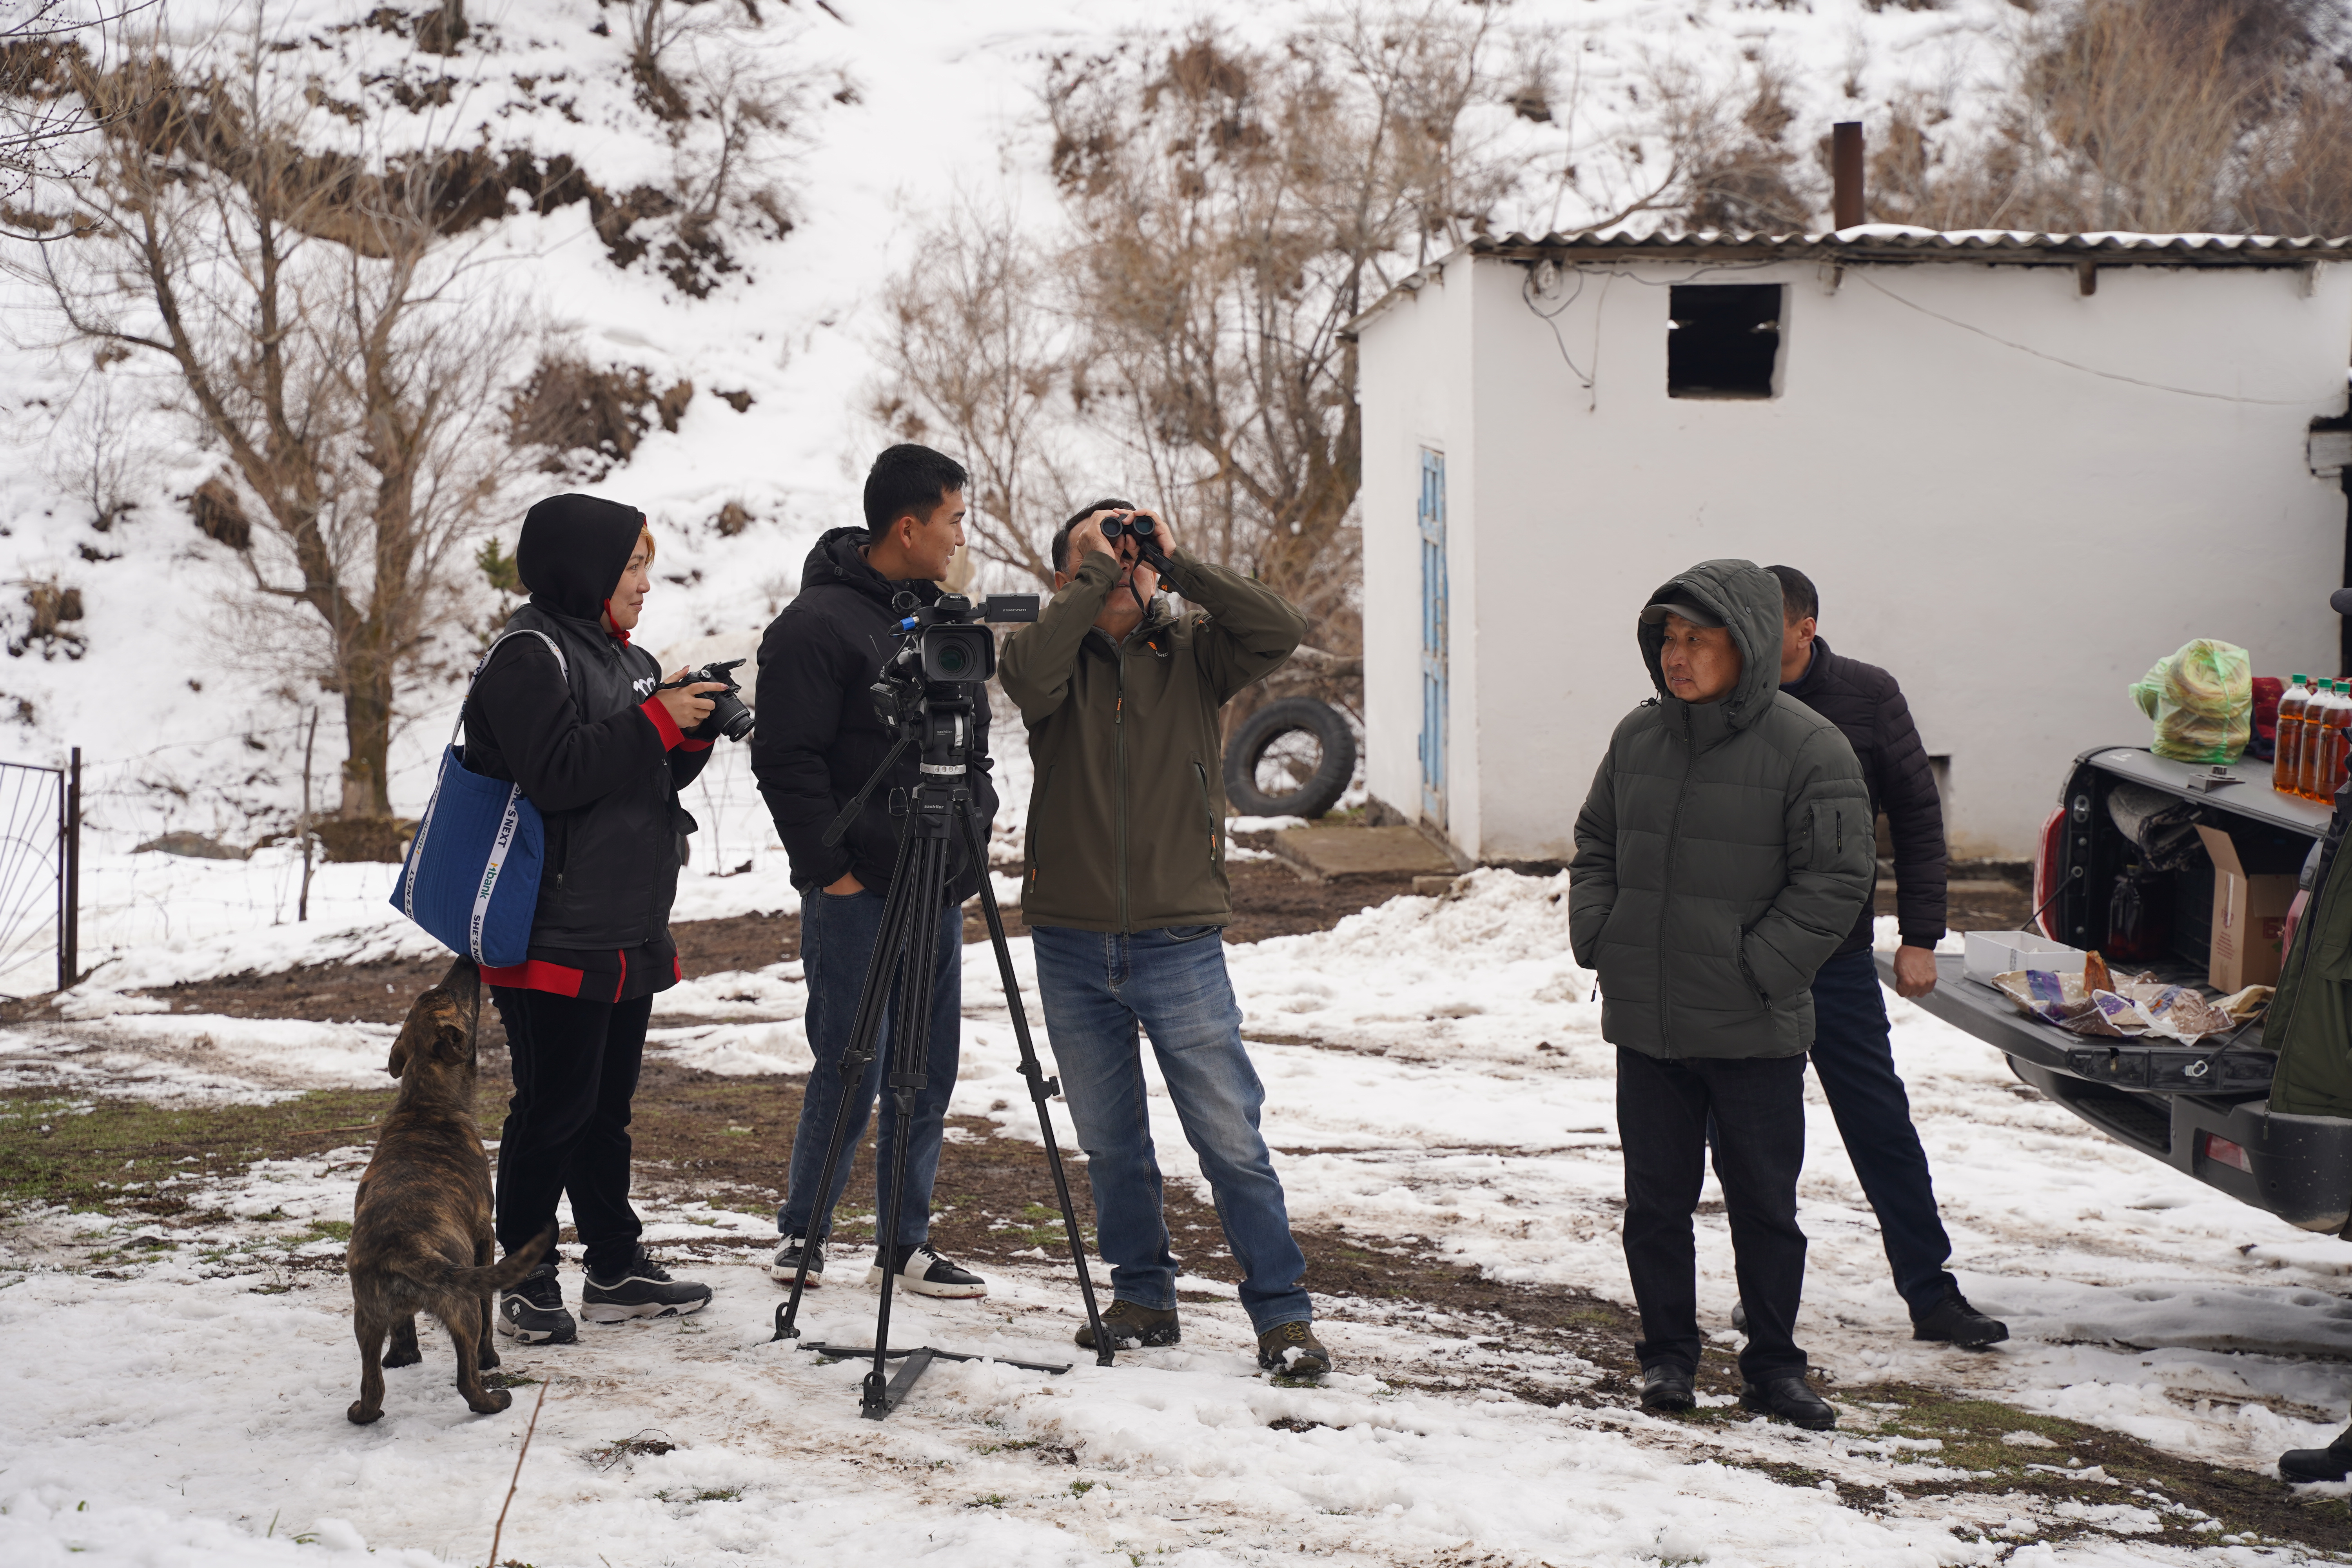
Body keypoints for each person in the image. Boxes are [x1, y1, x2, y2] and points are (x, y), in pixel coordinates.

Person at [997, 500, 1332, 1377]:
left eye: (1135, 547)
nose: (1127, 563)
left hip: (1178, 938)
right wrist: (1097, 583)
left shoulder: (1190, 653)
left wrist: (1174, 566)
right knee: (1112, 1139)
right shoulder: (1052, 658)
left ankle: (1283, 1316)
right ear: (1068, 577)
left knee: (1229, 1136)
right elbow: (1025, 678)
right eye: (1104, 553)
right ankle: (1143, 1295)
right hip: (1071, 938)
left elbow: (1280, 625)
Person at [1569, 559, 1874, 1430]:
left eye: (1697, 638)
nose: (1678, 655)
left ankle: (1775, 1366)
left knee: (1765, 1211)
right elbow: (1596, 842)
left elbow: (1839, 877)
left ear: (1743, 642)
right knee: (1655, 1206)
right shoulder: (1639, 738)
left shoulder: (1812, 745)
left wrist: (1758, 967)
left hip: (1754, 1028)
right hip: (1651, 1023)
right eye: (1668, 637)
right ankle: (1666, 1358)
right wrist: (1602, 933)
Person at [464, 493, 729, 1344]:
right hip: (551, 930)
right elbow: (559, 773)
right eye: (632, 566)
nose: (645, 583)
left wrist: (688, 735)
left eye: (647, 565)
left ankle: (614, 1264)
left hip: (625, 921)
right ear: (585, 569)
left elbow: (634, 780)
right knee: (553, 1104)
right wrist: (656, 719)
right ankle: (527, 1271)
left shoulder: (629, 656)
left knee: (606, 1106)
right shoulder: (526, 656)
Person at [751, 444, 994, 1300]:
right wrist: (832, 873)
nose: (962, 535)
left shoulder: (944, 620)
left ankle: (905, 1241)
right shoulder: (813, 625)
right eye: (955, 519)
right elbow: (785, 762)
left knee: (928, 1068)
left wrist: (973, 839)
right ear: (909, 525)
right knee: (852, 1063)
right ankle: (803, 1234)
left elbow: (975, 747)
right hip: (859, 889)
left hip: (935, 883)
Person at [1764, 565, 2007, 1350]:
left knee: (1880, 1125)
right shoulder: (1730, 698)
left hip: (1834, 957)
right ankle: (1764, 1291)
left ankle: (1931, 1293)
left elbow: (1916, 816)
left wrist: (1919, 936)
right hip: (1753, 960)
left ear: (1806, 627)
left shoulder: (1868, 695)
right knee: (1760, 1134)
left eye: (1767, 627)